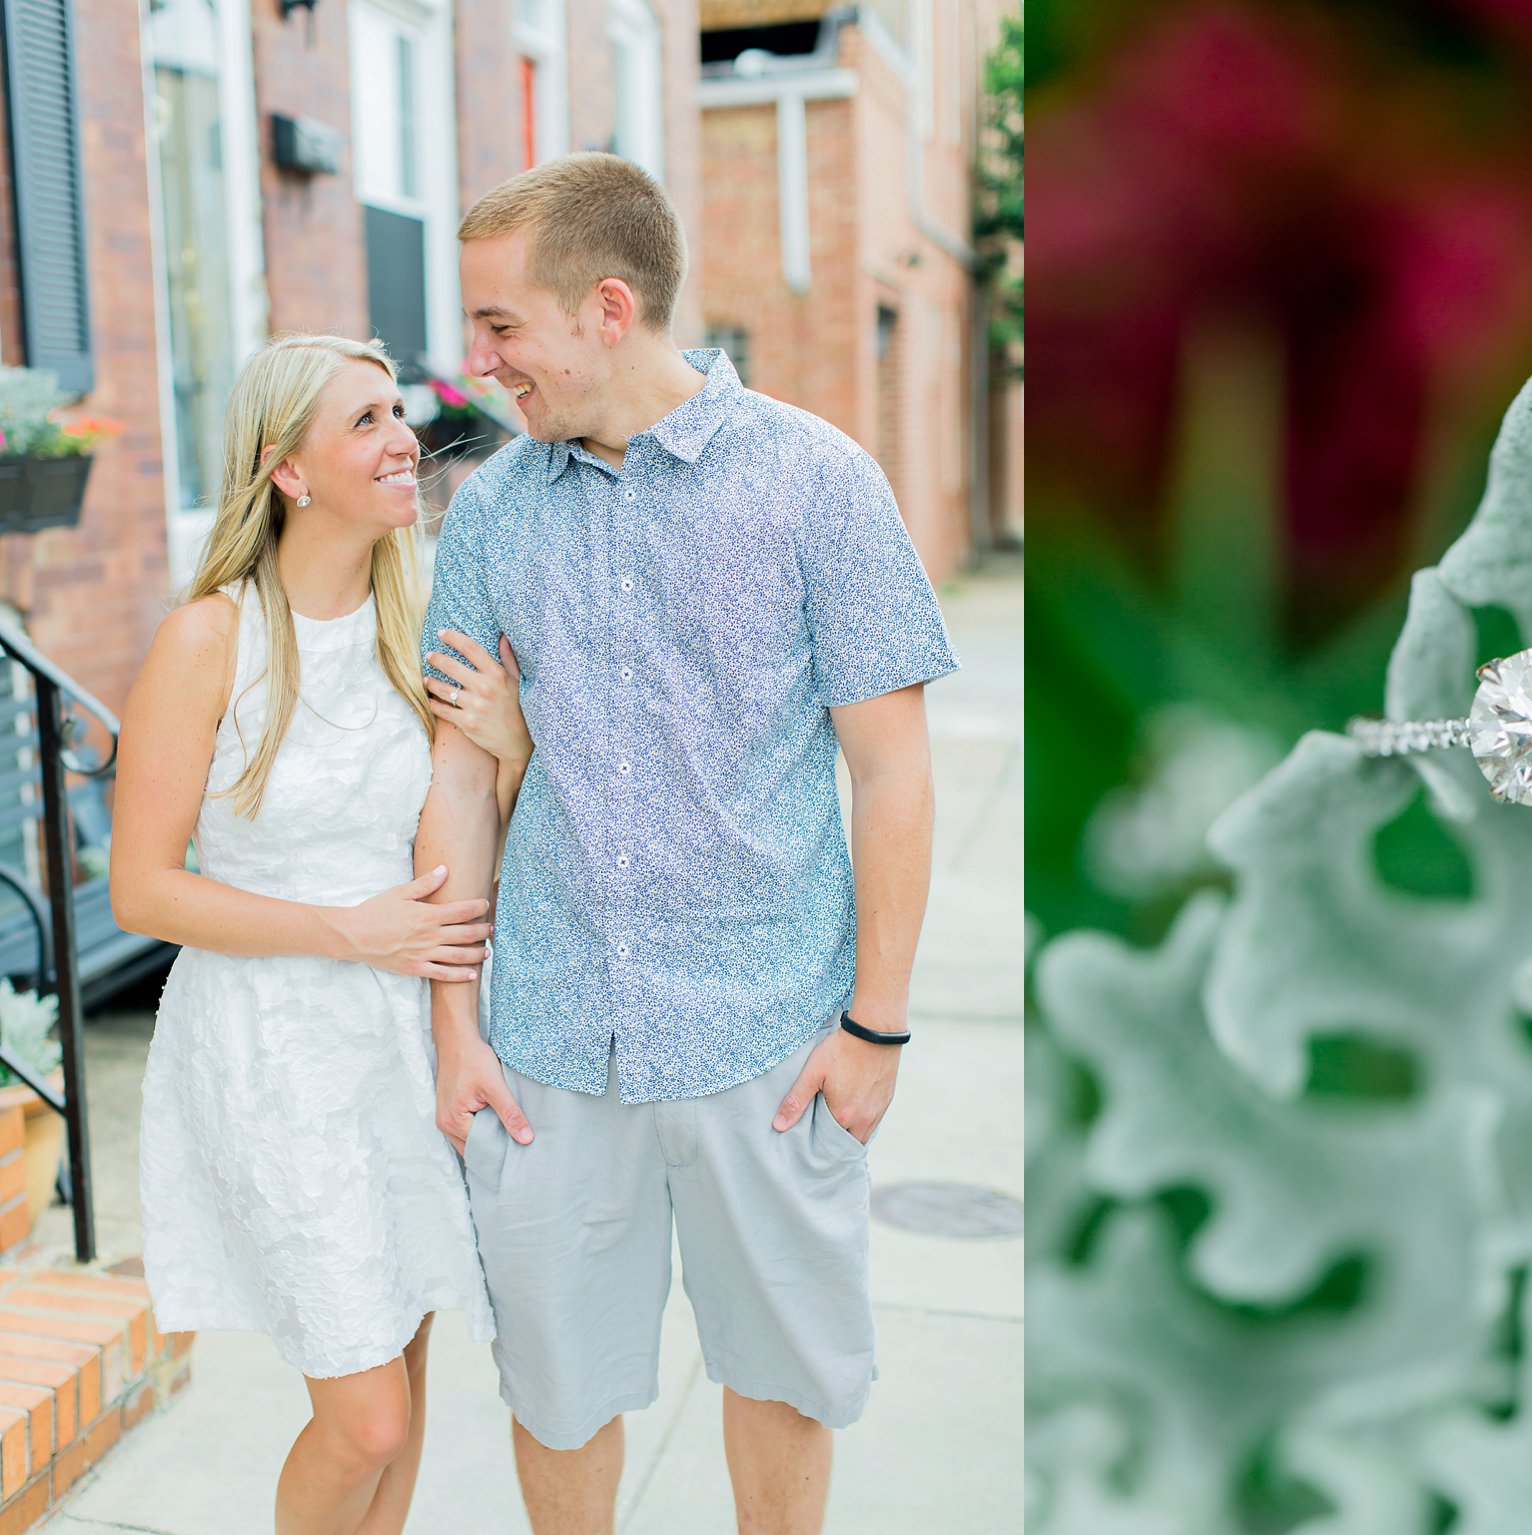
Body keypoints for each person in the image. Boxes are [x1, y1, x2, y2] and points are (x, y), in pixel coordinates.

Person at [416, 151, 957, 1535]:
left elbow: (892, 770)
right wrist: (454, 1029)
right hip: (546, 1036)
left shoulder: (818, 481)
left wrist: (875, 1030)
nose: (477, 362)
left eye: (499, 325)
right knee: (555, 1385)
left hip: (770, 1033)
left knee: (781, 1375)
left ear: (607, 306)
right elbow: (463, 784)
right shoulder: (489, 513)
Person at [111, 334, 533, 1535]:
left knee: (406, 1377)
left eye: (396, 412)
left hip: (409, 1034)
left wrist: (510, 744)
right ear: (284, 467)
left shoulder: (427, 619)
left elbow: (470, 832)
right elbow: (141, 888)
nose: (403, 438)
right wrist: (343, 930)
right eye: (363, 421)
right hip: (273, 1046)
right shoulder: (213, 636)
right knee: (366, 1419)